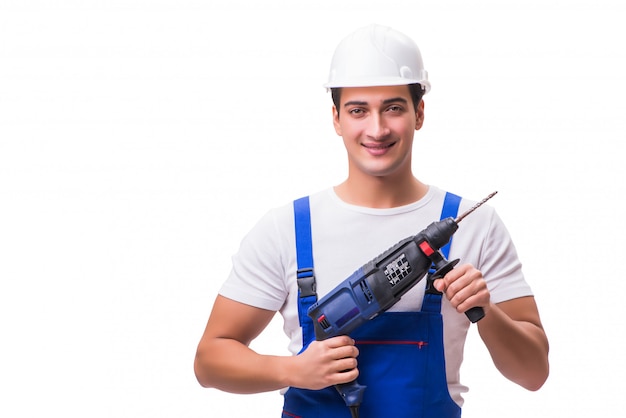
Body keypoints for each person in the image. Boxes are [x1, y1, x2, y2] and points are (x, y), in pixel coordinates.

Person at [194, 24, 549, 418]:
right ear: (336, 118)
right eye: (358, 110)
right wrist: (291, 369)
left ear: (419, 113)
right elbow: (209, 361)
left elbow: (533, 374)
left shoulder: (477, 226)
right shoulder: (286, 229)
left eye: (393, 107)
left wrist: (487, 311)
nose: (377, 129)